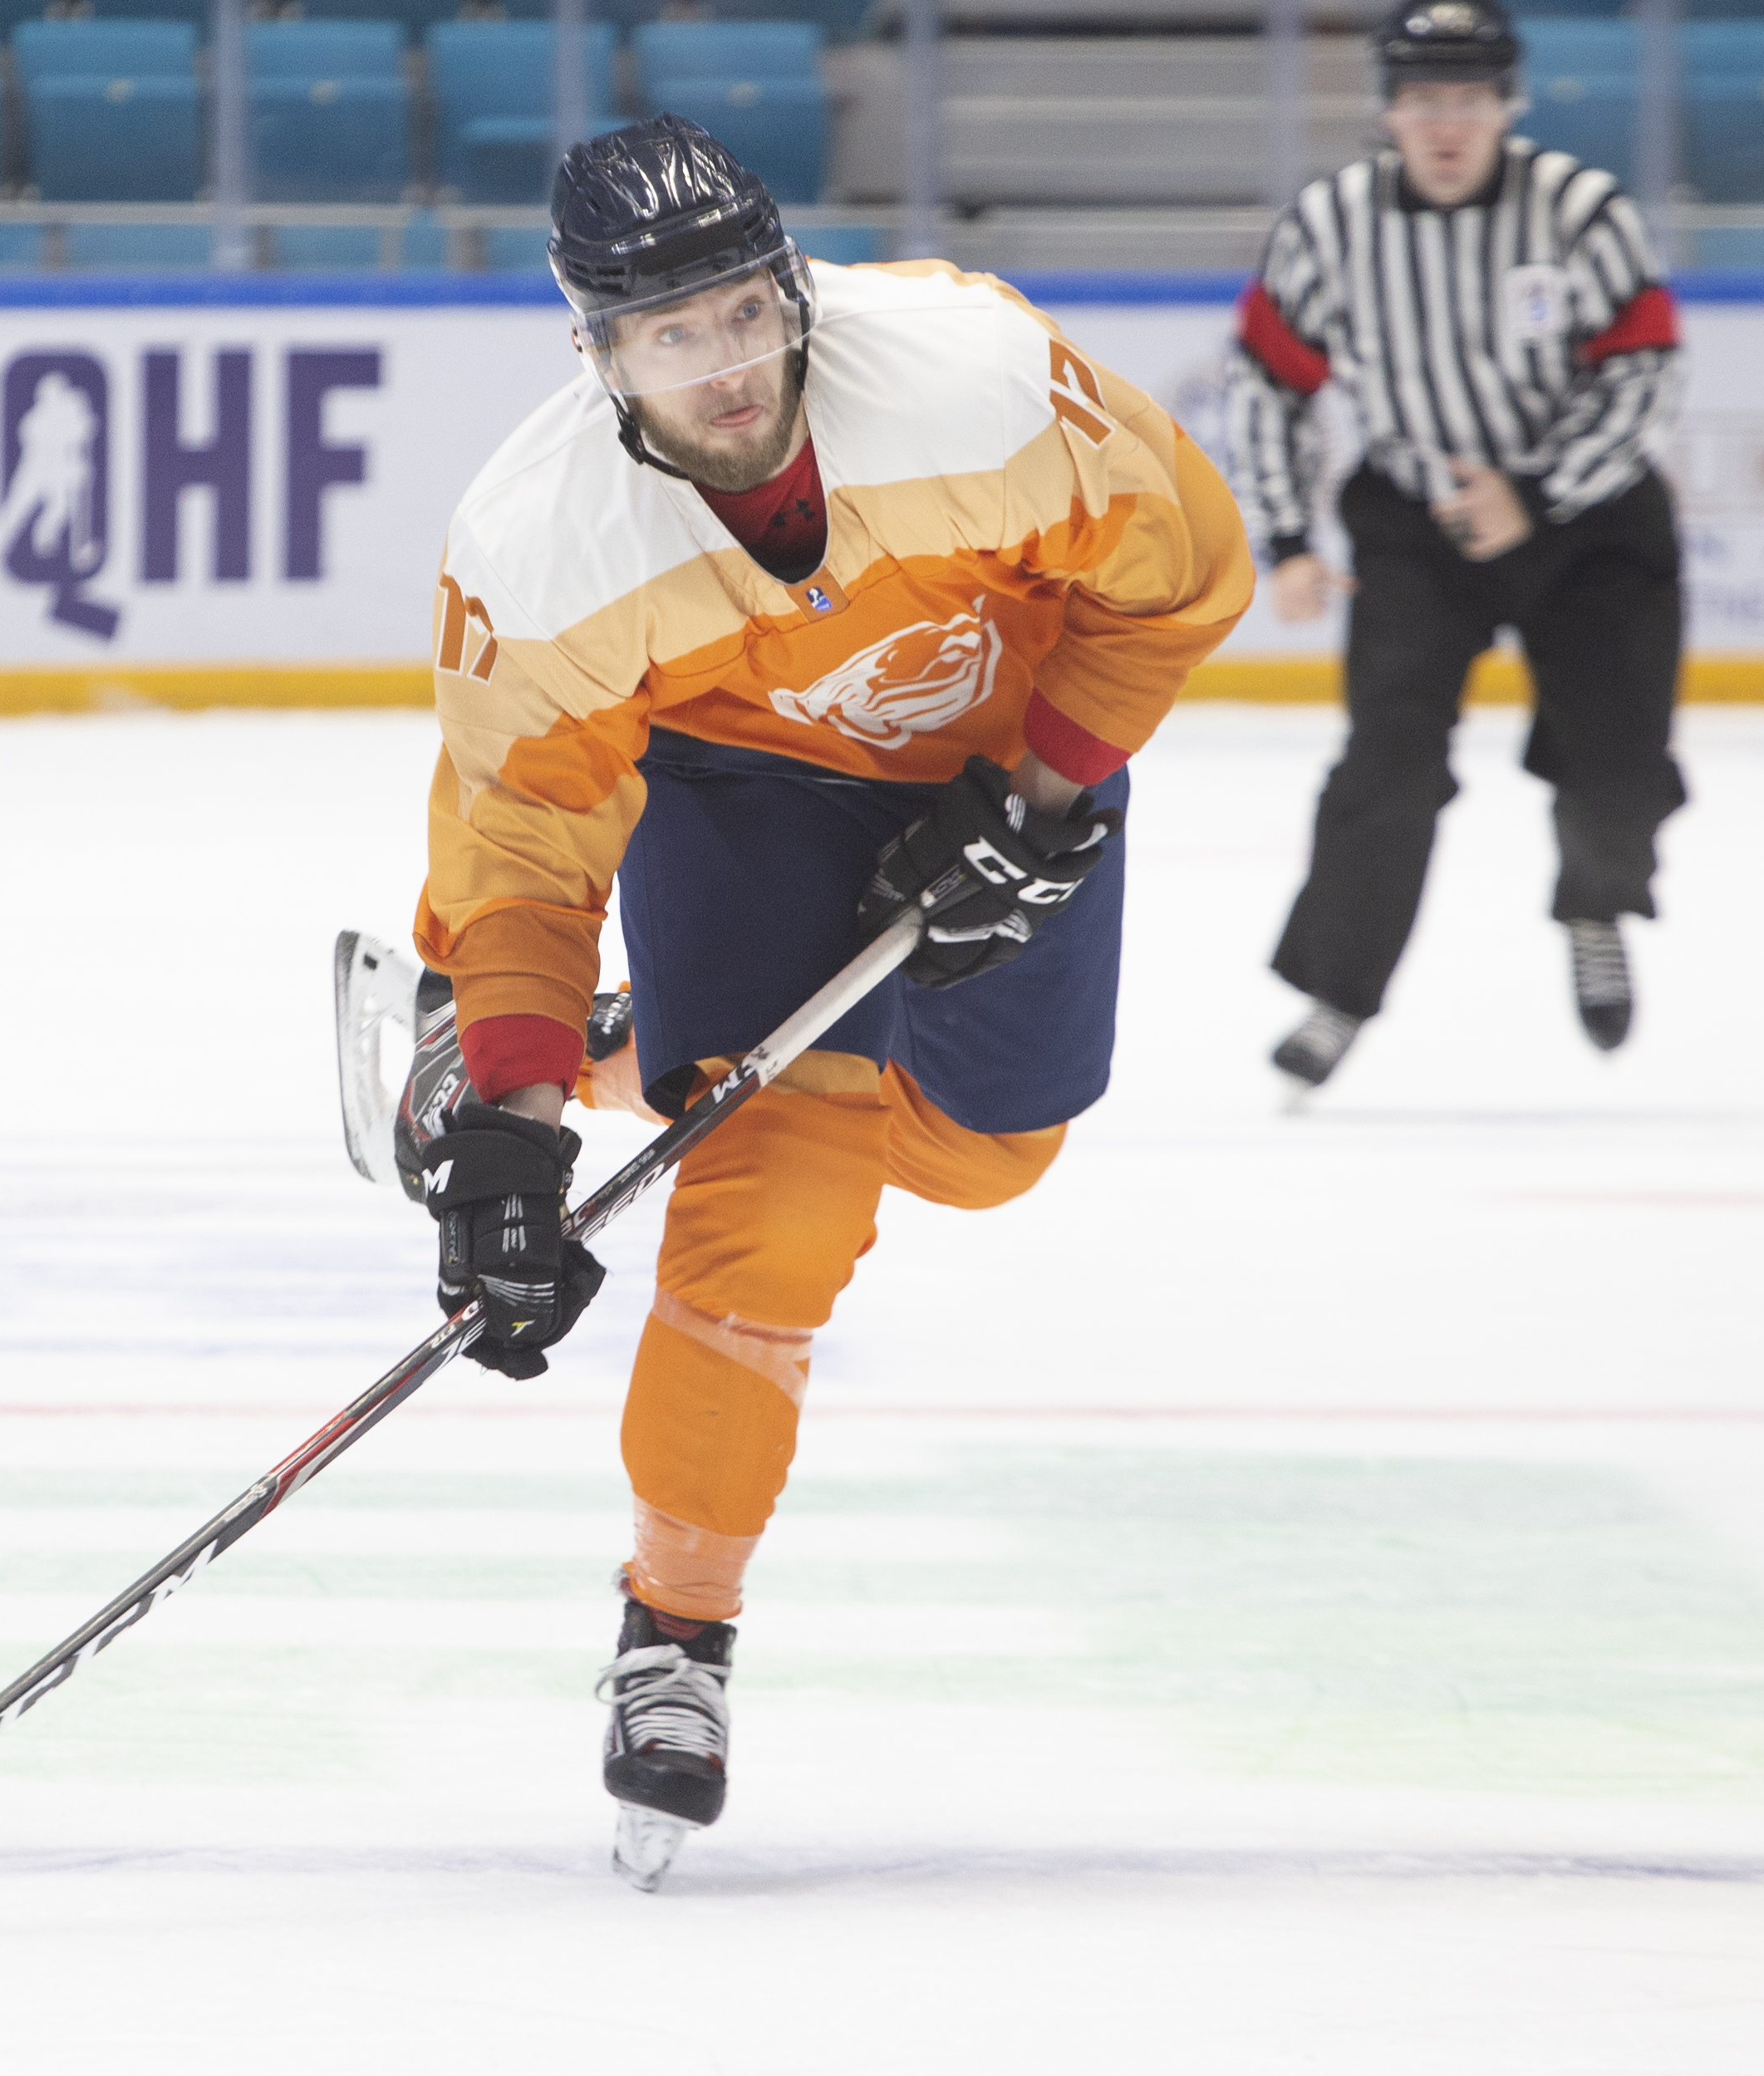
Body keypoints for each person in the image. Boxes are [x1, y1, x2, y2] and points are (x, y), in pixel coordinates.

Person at [400, 116, 1249, 1887]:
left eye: (739, 312)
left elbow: (1181, 561)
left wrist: (1040, 793)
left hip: (1002, 755)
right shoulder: (539, 545)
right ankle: (675, 1628)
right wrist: (504, 1123)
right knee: (769, 1191)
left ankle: (649, 1043)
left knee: (984, 1149)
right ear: (594, 349)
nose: (722, 365)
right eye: (666, 334)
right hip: (737, 792)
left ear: (789, 287)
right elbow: (525, 852)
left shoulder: (974, 376)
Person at [1230, 0, 1689, 1094]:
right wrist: (1286, 535)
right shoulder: (1332, 225)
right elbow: (1269, 383)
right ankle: (1337, 994)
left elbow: (1646, 370)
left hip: (1589, 519)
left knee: (1617, 763)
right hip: (1418, 518)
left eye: (1471, 100)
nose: (1447, 124)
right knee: (1386, 760)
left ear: (1508, 106)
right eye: (1424, 99)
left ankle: (1595, 908)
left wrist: (1538, 492)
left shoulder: (1580, 210)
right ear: (1389, 110)